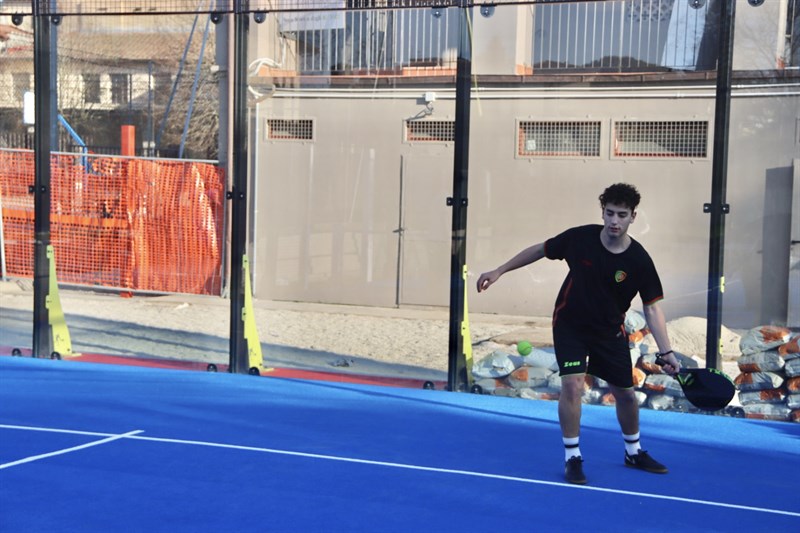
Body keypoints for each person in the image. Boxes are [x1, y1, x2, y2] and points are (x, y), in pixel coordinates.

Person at [476, 183, 680, 485]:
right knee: (572, 386)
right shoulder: (580, 239)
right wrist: (499, 271)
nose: (614, 221)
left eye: (622, 215)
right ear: (602, 212)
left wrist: (667, 352)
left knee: (625, 394)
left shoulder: (639, 260)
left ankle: (633, 451)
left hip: (609, 331)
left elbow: (652, 308)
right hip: (570, 325)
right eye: (609, 213)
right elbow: (540, 249)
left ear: (633, 217)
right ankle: (572, 456)